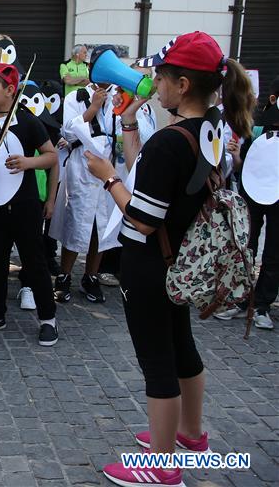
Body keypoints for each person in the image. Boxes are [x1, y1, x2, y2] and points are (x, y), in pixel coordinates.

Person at [85, 32, 254, 487]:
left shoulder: (171, 142)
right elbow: (167, 190)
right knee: (181, 345)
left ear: (181, 85)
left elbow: (141, 218)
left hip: (150, 263)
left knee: (156, 360)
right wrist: (128, 126)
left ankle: (161, 467)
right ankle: (190, 434)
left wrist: (106, 177)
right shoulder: (214, 128)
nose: (153, 84)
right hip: (181, 258)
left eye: (160, 76)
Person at [0, 63, 60, 347]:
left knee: (35, 261)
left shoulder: (29, 122)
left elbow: (51, 156)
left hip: (25, 205)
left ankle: (48, 319)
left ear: (10, 90)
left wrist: (28, 162)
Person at [50, 76, 157, 303]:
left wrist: (126, 105)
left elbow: (128, 133)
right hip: (82, 167)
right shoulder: (75, 97)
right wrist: (93, 107)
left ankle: (91, 276)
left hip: (110, 169)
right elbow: (67, 133)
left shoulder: (117, 97)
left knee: (102, 226)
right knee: (75, 224)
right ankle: (64, 276)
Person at [215, 75, 278, 330]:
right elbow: (244, 167)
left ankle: (262, 305)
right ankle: (240, 300)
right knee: (246, 246)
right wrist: (237, 155)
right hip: (252, 192)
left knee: (274, 252)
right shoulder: (257, 125)